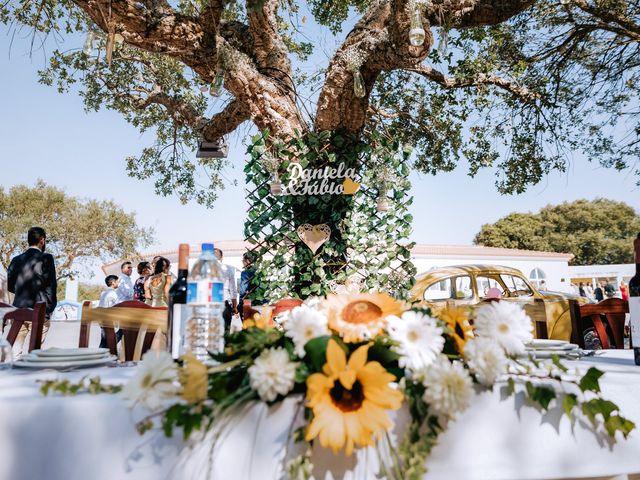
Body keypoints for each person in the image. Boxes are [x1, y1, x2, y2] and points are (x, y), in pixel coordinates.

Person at [6, 227, 57, 358]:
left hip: (18, 310)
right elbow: (51, 286)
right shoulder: (46, 258)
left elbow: (11, 287)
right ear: (42, 240)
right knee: (35, 353)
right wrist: (49, 308)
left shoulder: (16, 260)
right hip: (40, 311)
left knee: (15, 352)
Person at [214, 248, 238, 333]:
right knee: (225, 333)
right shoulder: (229, 269)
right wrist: (235, 307)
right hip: (224, 303)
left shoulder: (204, 270)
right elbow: (233, 290)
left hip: (209, 305)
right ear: (221, 257)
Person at [239, 252, 256, 321]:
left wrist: (240, 304)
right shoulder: (261, 271)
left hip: (249, 303)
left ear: (247, 261)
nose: (243, 263)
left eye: (243, 261)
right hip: (263, 303)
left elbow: (243, 289)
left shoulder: (245, 272)